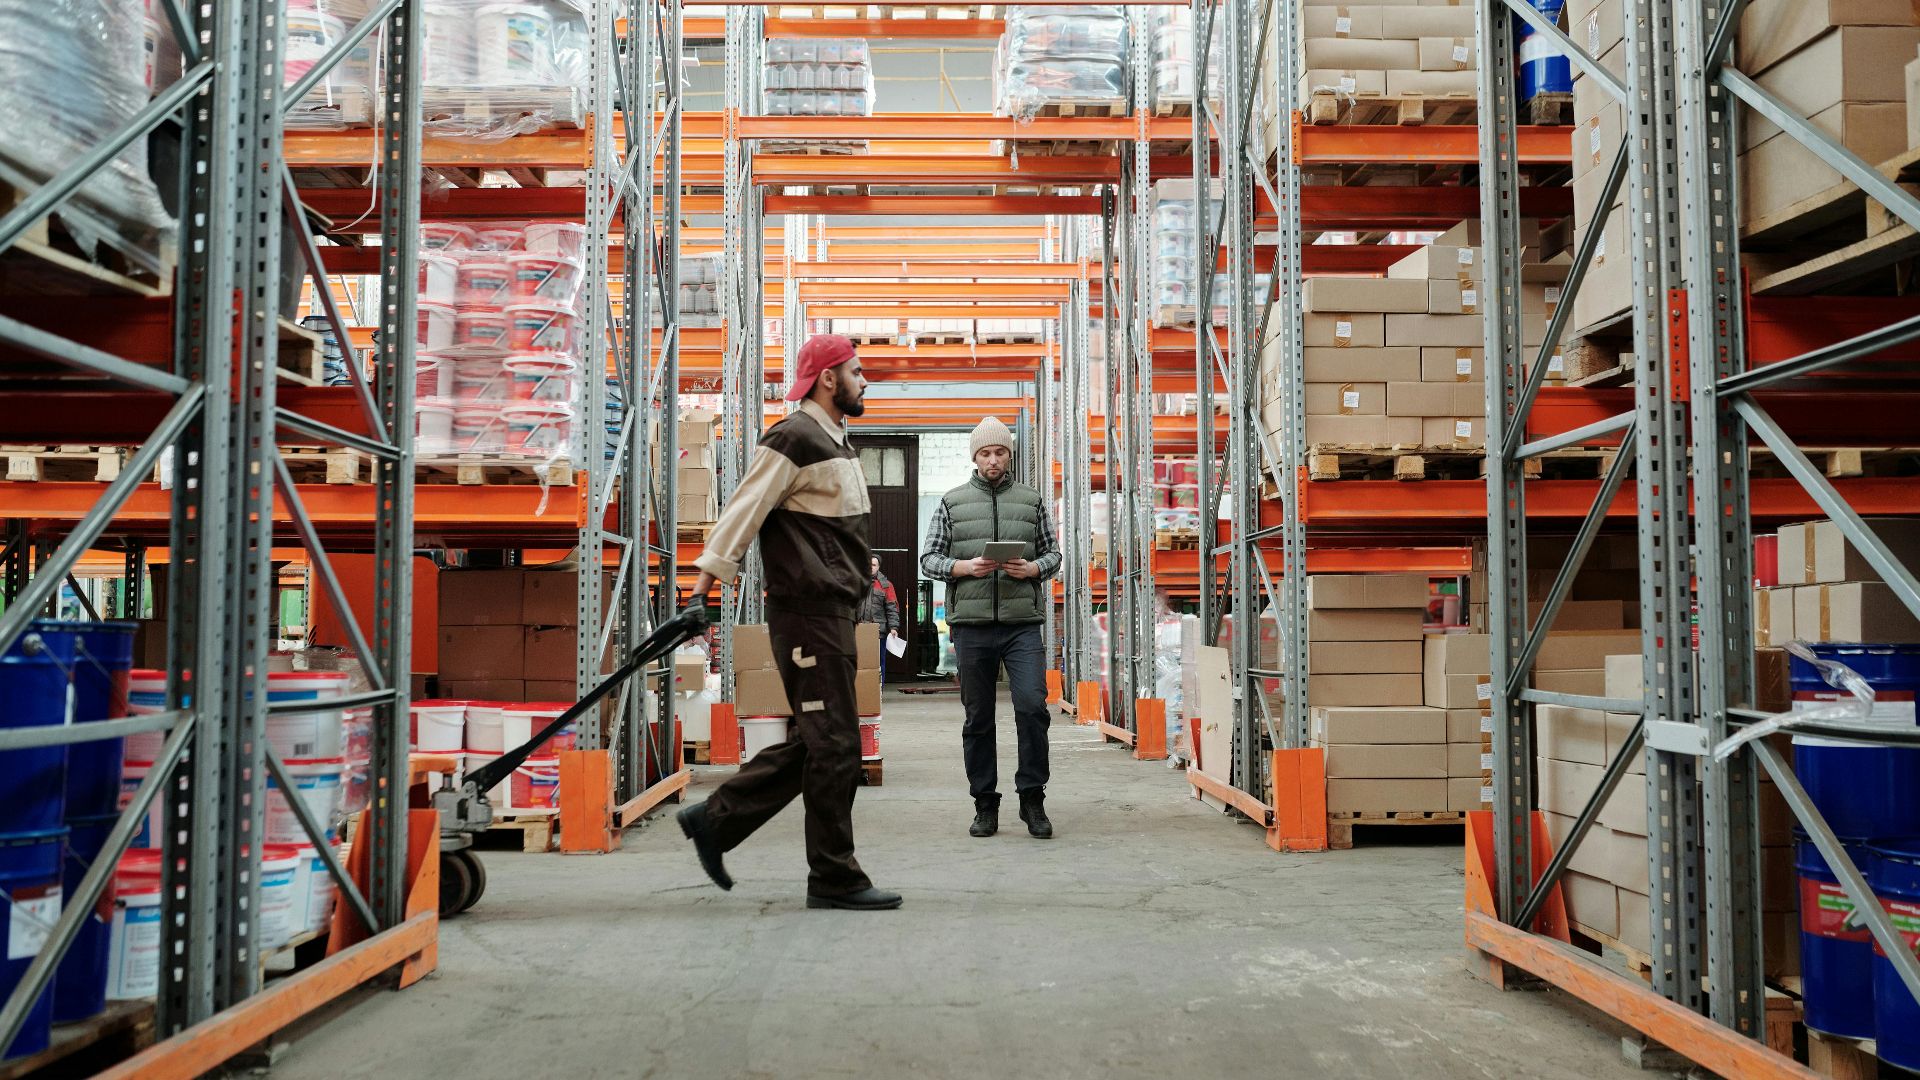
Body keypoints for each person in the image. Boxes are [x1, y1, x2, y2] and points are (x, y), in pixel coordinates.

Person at [675, 334, 901, 912]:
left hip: (833, 614)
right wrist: (701, 589)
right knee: (835, 747)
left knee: (821, 743)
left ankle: (715, 821)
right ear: (829, 378)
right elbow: (742, 511)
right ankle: (833, 876)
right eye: (856, 371)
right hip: (806, 616)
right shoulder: (793, 437)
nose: (864, 380)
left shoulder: (836, 442)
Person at [919, 416, 1062, 840]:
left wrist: (1033, 568)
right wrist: (961, 567)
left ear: (1009, 455)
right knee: (978, 718)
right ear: (975, 458)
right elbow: (929, 559)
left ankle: (1032, 799)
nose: (993, 459)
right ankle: (985, 804)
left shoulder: (1032, 501)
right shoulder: (952, 502)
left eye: (1000, 452)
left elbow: (1053, 553)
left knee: (1033, 708)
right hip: (972, 627)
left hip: (1021, 626)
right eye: (985, 453)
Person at [857, 555, 900, 680]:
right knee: (857, 663)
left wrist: (894, 627)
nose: (871, 567)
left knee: (879, 665)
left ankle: (878, 694)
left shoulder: (886, 585)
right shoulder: (857, 583)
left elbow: (892, 608)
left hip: (878, 633)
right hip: (859, 630)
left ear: (878, 567)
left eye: (874, 565)